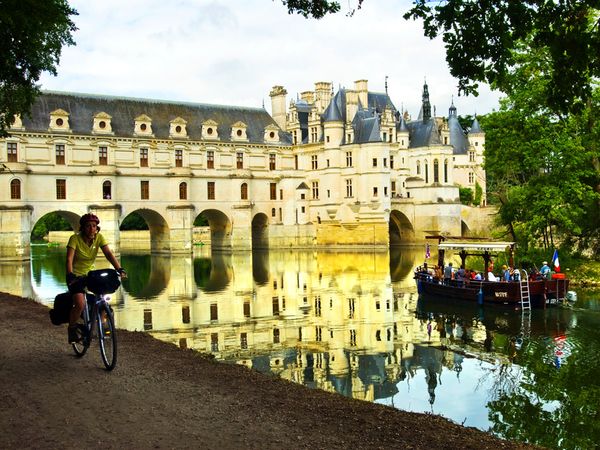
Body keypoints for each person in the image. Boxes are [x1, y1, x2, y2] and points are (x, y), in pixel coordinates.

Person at [66, 213, 126, 343]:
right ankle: (72, 328)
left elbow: (108, 254)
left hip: (90, 275)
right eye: (88, 226)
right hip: (75, 276)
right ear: (82, 228)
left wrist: (119, 269)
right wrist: (70, 274)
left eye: (94, 226)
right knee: (80, 304)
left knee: (102, 298)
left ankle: (103, 323)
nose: (92, 229)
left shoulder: (99, 238)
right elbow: (69, 259)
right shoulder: (74, 239)